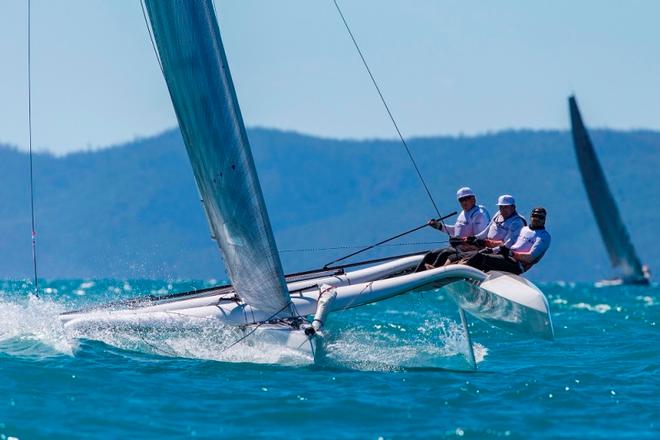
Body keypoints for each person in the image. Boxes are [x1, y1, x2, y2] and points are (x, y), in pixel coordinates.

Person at [415, 187, 490, 271]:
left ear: (473, 199)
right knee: (430, 255)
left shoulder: (479, 215)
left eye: (466, 199)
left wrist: (461, 242)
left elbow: (479, 240)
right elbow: (456, 230)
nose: (464, 202)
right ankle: (415, 276)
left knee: (444, 253)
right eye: (461, 200)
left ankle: (433, 273)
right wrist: (439, 226)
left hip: (469, 251)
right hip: (458, 248)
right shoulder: (464, 213)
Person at [461, 207, 551, 274]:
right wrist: (492, 250)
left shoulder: (544, 237)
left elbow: (530, 257)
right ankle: (464, 274)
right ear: (531, 216)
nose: (537, 219)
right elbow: (506, 246)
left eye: (540, 217)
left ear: (544, 220)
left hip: (517, 264)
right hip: (506, 257)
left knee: (479, 257)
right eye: (535, 216)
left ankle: (461, 273)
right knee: (473, 254)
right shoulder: (523, 229)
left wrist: (512, 254)